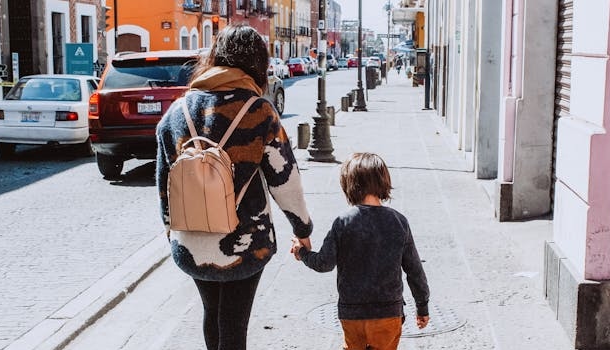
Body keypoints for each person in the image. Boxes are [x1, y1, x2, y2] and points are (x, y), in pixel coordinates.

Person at [155, 25, 313, 350]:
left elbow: (163, 183)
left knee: (212, 313)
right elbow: (285, 179)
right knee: (233, 323)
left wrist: (172, 231)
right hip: (245, 243)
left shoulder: (176, 112)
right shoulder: (259, 111)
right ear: (258, 63)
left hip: (192, 241)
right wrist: (302, 228)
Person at [291, 152, 430, 350]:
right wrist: (422, 306)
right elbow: (415, 271)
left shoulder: (343, 222)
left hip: (352, 313)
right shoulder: (399, 222)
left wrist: (302, 252)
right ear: (383, 181)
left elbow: (324, 263)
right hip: (388, 313)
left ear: (349, 185)